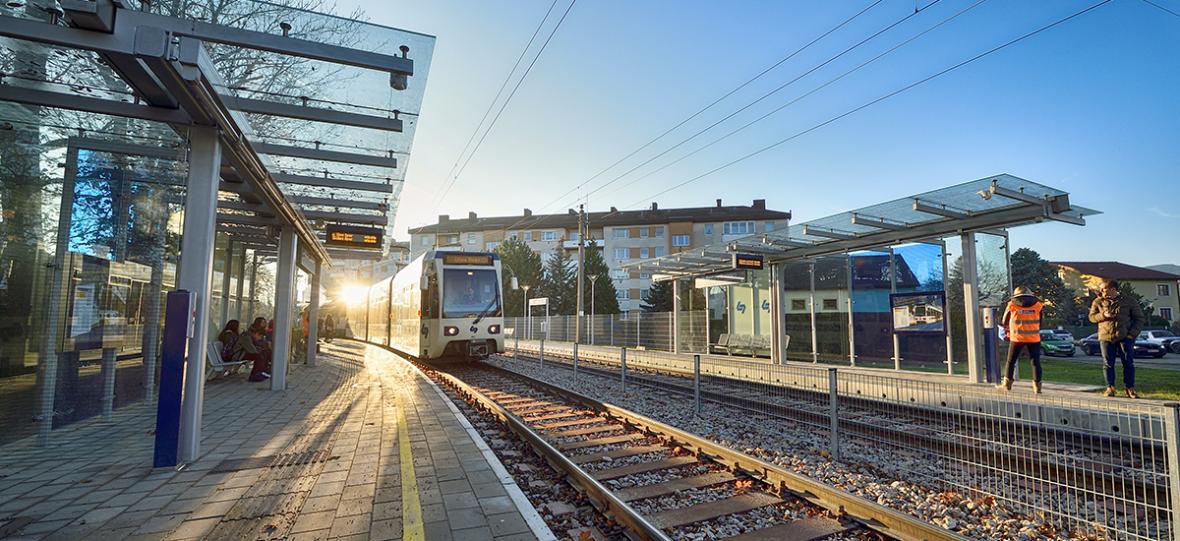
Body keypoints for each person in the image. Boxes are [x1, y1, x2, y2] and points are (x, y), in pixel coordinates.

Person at [1089, 279, 1146, 398]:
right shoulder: (1098, 301)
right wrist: (1103, 315)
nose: (1102, 291)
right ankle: (1110, 388)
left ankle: (1130, 388)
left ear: (1113, 289)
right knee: (1108, 364)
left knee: (1128, 364)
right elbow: (1092, 317)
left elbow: (1139, 319)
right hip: (1106, 337)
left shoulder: (1129, 301)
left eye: (1104, 289)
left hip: (1125, 337)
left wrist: (1131, 335)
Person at [996, 287, 1044, 394]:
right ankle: (1037, 388)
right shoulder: (1038, 305)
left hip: (1017, 338)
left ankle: (1007, 386)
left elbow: (1004, 321)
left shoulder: (1011, 304)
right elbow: (1040, 322)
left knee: (1011, 361)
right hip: (1034, 338)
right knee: (1035, 362)